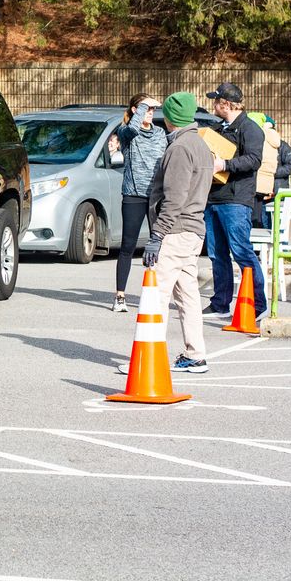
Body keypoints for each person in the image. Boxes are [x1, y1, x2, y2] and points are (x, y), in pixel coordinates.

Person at [140, 92, 214, 372]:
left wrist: (157, 235)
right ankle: (195, 354)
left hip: (176, 230)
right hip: (193, 229)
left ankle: (149, 358)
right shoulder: (200, 144)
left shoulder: (180, 148)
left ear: (169, 118)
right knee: (187, 295)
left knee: (156, 295)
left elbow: (174, 198)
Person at [202, 82, 267, 318]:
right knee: (217, 253)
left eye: (216, 102)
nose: (213, 106)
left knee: (241, 251)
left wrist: (225, 165)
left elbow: (253, 160)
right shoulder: (219, 128)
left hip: (236, 200)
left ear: (226, 104)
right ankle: (220, 303)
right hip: (215, 198)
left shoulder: (250, 129)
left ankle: (257, 304)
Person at [112, 94, 166, 312]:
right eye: (145, 109)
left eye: (153, 110)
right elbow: (132, 129)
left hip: (157, 196)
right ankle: (120, 296)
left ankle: (157, 294)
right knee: (128, 245)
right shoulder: (127, 133)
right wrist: (144, 105)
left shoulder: (161, 134)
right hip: (133, 195)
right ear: (135, 110)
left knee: (159, 244)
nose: (150, 113)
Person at [246, 111, 281, 228]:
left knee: (252, 215)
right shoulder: (272, 136)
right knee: (258, 211)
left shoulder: (258, 135)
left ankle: (254, 241)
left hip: (256, 177)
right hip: (266, 181)